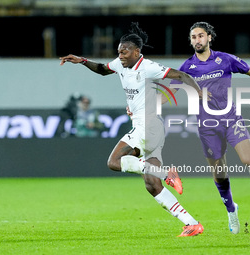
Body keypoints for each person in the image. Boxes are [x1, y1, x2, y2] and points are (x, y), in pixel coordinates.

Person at [59, 22, 204, 236]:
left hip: (147, 126)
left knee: (113, 162)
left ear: (137, 52)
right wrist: (82, 61)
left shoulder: (149, 67)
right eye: (119, 52)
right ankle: (192, 224)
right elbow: (101, 69)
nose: (121, 55)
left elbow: (182, 76)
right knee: (152, 185)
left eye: (124, 52)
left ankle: (167, 173)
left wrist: (199, 95)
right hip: (150, 128)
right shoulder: (120, 64)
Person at [171, 21, 250, 234]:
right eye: (193, 37)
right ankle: (231, 209)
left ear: (209, 37)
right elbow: (170, 91)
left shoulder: (224, 59)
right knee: (219, 173)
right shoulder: (186, 68)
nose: (197, 40)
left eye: (200, 36)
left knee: (248, 160)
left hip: (231, 118)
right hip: (207, 125)